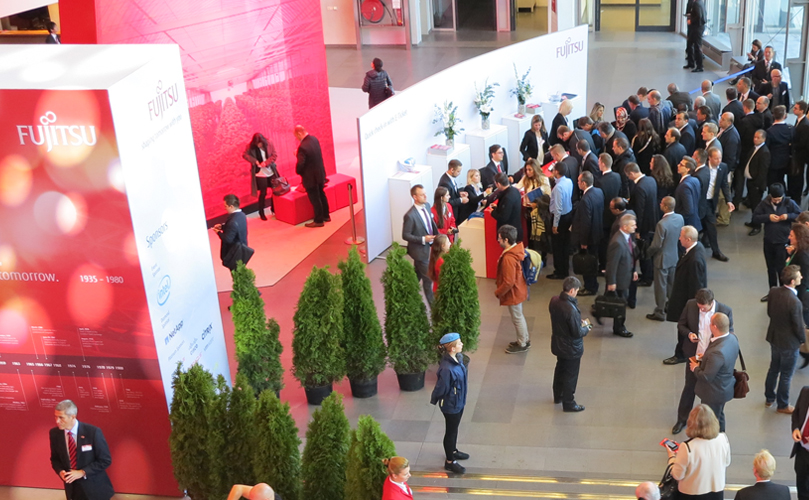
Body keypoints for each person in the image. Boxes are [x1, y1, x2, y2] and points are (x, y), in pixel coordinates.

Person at [672, 289, 734, 435]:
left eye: (704, 308)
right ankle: (682, 419)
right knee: (689, 388)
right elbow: (681, 325)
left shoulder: (725, 310)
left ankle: (710, 425)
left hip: (713, 360)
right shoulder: (690, 305)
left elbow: (729, 333)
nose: (701, 310)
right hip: (695, 356)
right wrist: (689, 334)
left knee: (710, 394)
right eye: (699, 307)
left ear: (711, 303)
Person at [49, 400, 114, 500]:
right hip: (73, 490)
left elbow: (105, 460)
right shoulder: (55, 434)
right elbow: (55, 459)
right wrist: (60, 471)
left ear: (72, 417)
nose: (57, 421)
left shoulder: (92, 432)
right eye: (56, 417)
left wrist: (82, 472)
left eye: (61, 417)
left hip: (95, 489)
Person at [667, 405, 731, 499]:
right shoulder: (723, 438)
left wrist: (672, 458)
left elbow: (677, 475)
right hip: (716, 491)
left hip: (691, 494)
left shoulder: (687, 447)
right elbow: (727, 462)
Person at [765, 265, 806, 413]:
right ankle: (783, 405)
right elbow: (798, 326)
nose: (801, 277)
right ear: (793, 281)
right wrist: (803, 340)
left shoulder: (774, 291)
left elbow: (770, 312)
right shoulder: (795, 302)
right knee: (786, 375)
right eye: (799, 275)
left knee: (774, 368)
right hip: (789, 343)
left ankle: (769, 398)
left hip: (774, 337)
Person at [691, 312, 739, 431]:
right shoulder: (732, 338)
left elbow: (706, 377)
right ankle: (721, 435)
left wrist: (695, 368)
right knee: (719, 415)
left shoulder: (717, 353)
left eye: (710, 323)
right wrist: (706, 357)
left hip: (714, 392)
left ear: (715, 327)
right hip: (724, 387)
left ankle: (715, 438)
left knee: (711, 420)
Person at [751, 183, 801, 298]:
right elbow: (755, 217)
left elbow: (800, 215)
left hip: (783, 241)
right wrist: (768, 217)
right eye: (775, 200)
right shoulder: (764, 203)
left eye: (779, 199)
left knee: (782, 269)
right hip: (769, 241)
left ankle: (784, 292)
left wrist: (787, 216)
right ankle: (772, 292)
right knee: (771, 268)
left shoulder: (789, 202)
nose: (777, 202)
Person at [430, 332, 470, 474]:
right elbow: (441, 388)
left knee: (454, 428)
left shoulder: (457, 359)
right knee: (451, 432)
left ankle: (453, 450)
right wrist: (436, 399)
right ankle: (450, 461)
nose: (462, 344)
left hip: (458, 401)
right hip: (451, 405)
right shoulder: (447, 368)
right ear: (452, 348)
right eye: (459, 343)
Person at [549, 276, 590, 412]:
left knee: (560, 369)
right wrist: (587, 327)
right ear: (572, 290)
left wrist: (576, 322)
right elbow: (577, 332)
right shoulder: (571, 310)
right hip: (571, 348)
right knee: (571, 375)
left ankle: (558, 396)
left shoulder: (554, 301)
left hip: (558, 344)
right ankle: (569, 403)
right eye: (577, 290)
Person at [665, 224, 708, 332]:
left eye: (681, 236)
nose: (679, 238)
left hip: (685, 300)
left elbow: (695, 286)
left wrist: (691, 309)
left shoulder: (694, 260)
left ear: (688, 239)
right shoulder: (697, 247)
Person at [647, 196, 684, 322]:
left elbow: (657, 245)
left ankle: (660, 311)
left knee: (660, 287)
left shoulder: (662, 224)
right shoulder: (680, 218)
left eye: (662, 203)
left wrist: (648, 253)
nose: (660, 204)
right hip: (673, 256)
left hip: (661, 259)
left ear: (666, 207)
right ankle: (671, 306)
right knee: (671, 284)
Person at [496, 225, 531, 353]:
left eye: (499, 238)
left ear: (506, 240)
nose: (498, 240)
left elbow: (509, 282)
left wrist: (498, 292)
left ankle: (522, 343)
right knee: (519, 316)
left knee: (517, 318)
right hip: (519, 289)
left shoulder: (508, 258)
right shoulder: (516, 251)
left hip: (514, 293)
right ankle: (525, 339)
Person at [402, 184, 438, 305]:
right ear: (415, 197)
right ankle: (434, 309)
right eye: (422, 195)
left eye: (425, 193)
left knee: (416, 275)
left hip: (429, 248)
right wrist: (423, 239)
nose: (425, 196)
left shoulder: (427, 206)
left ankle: (407, 296)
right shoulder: (410, 216)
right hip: (420, 252)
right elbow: (405, 235)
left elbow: (430, 223)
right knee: (428, 279)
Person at [604, 213, 638, 338]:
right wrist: (611, 282)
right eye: (633, 225)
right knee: (620, 304)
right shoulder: (617, 242)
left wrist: (633, 270)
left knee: (620, 302)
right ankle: (619, 327)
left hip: (626, 275)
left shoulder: (627, 237)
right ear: (624, 226)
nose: (635, 227)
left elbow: (631, 255)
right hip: (619, 279)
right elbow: (612, 264)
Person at [625, 162, 659, 285]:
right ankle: (650, 274)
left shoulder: (639, 187)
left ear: (632, 173)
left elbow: (640, 210)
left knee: (644, 252)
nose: (629, 178)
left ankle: (646, 278)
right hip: (653, 221)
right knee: (649, 250)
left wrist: (637, 230)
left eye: (628, 176)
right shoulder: (651, 180)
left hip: (644, 226)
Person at [571, 171, 604, 295]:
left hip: (588, 238)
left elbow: (585, 222)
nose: (577, 183)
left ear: (584, 183)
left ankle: (590, 287)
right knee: (593, 261)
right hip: (597, 233)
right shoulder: (598, 192)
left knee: (587, 263)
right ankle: (593, 285)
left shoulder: (585, 200)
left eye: (579, 181)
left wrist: (583, 242)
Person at [293, 125, 330, 228]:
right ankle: (326, 215)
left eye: (296, 136)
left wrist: (297, 156)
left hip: (310, 177)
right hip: (320, 174)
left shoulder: (302, 147)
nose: (296, 138)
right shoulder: (314, 139)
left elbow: (301, 164)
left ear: (299, 133)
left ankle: (318, 220)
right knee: (321, 194)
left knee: (315, 199)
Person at [703, 148, 734, 261]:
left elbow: (724, 184)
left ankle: (707, 242)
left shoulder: (723, 167)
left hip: (712, 201)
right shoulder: (703, 168)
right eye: (716, 158)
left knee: (709, 223)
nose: (719, 160)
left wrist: (728, 201)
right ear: (709, 158)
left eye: (720, 158)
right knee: (710, 224)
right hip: (702, 201)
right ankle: (715, 250)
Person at [243, 132, 278, 220]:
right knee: (263, 192)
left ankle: (274, 208)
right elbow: (245, 155)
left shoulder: (269, 143)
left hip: (270, 170)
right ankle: (261, 212)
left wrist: (266, 162)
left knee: (275, 190)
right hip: (260, 173)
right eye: (257, 144)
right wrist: (255, 161)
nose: (259, 145)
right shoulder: (250, 146)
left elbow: (274, 155)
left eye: (260, 144)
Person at [548, 164, 574, 279]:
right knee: (565, 245)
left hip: (560, 218)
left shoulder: (558, 187)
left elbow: (558, 207)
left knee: (557, 246)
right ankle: (565, 268)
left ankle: (559, 271)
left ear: (557, 172)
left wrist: (555, 224)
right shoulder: (568, 181)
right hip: (568, 214)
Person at [214, 194, 249, 271]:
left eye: (226, 206)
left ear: (231, 206)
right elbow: (234, 229)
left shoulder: (232, 221)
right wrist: (222, 227)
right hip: (243, 248)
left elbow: (227, 239)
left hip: (235, 252)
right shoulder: (242, 215)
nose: (225, 208)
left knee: (236, 272)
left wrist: (218, 232)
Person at [742, 130, 770, 219]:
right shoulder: (755, 148)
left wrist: (757, 185)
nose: (755, 139)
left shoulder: (764, 152)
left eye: (758, 138)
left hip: (756, 185)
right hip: (750, 181)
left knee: (756, 205)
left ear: (764, 139)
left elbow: (763, 171)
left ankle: (757, 224)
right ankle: (754, 221)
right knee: (753, 204)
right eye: (754, 137)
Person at [491, 173, 523, 242]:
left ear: (498, 184)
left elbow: (503, 217)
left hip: (508, 233)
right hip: (516, 228)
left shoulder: (507, 197)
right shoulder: (515, 190)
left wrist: (492, 212)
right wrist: (497, 207)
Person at [438, 159, 470, 224]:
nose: (459, 173)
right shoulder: (445, 183)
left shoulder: (450, 178)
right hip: (451, 212)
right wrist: (461, 200)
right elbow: (447, 201)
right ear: (452, 170)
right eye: (458, 171)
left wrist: (459, 193)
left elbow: (452, 192)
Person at [675, 157, 702, 230]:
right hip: (695, 221)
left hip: (687, 226)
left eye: (681, 165)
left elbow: (688, 210)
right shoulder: (695, 180)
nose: (678, 165)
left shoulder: (684, 186)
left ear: (688, 169)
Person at [791, 386, 809, 499]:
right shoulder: (805, 392)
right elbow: (796, 414)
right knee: (802, 484)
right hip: (802, 449)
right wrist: (796, 428)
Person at [791, 101, 809, 201]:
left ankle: (797, 197)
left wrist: (791, 145)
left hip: (800, 155)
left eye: (796, 108)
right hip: (797, 154)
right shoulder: (799, 120)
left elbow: (802, 142)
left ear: (802, 111)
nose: (793, 110)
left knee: (798, 176)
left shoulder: (805, 125)